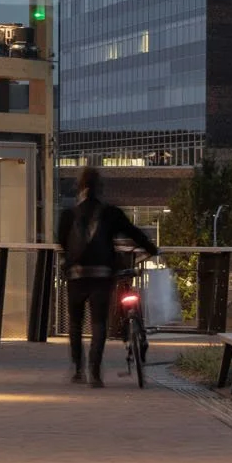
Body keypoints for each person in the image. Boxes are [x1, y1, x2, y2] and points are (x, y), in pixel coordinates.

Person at [55, 166, 157, 387]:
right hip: (102, 274)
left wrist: (71, 260)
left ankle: (78, 369)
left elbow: (61, 241)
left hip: (76, 275)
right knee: (99, 322)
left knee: (75, 323)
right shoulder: (111, 213)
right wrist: (152, 249)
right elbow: (134, 232)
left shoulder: (68, 215)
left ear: (80, 187)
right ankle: (95, 371)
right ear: (100, 188)